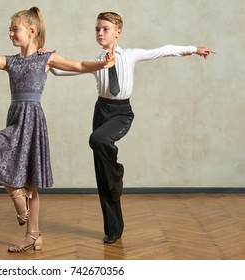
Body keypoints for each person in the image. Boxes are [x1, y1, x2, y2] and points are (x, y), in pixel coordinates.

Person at [0, 7, 114, 252]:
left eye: (14, 29)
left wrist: (103, 64)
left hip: (33, 118)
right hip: (16, 116)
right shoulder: (11, 62)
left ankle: (33, 235)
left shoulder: (46, 57)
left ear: (31, 31)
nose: (10, 33)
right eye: (9, 29)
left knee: (31, 180)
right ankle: (17, 195)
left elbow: (79, 65)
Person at [46, 12, 215, 244]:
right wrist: (47, 59)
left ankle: (117, 173)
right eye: (97, 29)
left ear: (118, 32)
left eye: (105, 29)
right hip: (101, 111)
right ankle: (114, 228)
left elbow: (163, 50)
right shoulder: (96, 62)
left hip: (121, 113)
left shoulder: (132, 55)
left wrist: (194, 48)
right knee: (102, 175)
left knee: (97, 140)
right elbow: (63, 70)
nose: (100, 33)